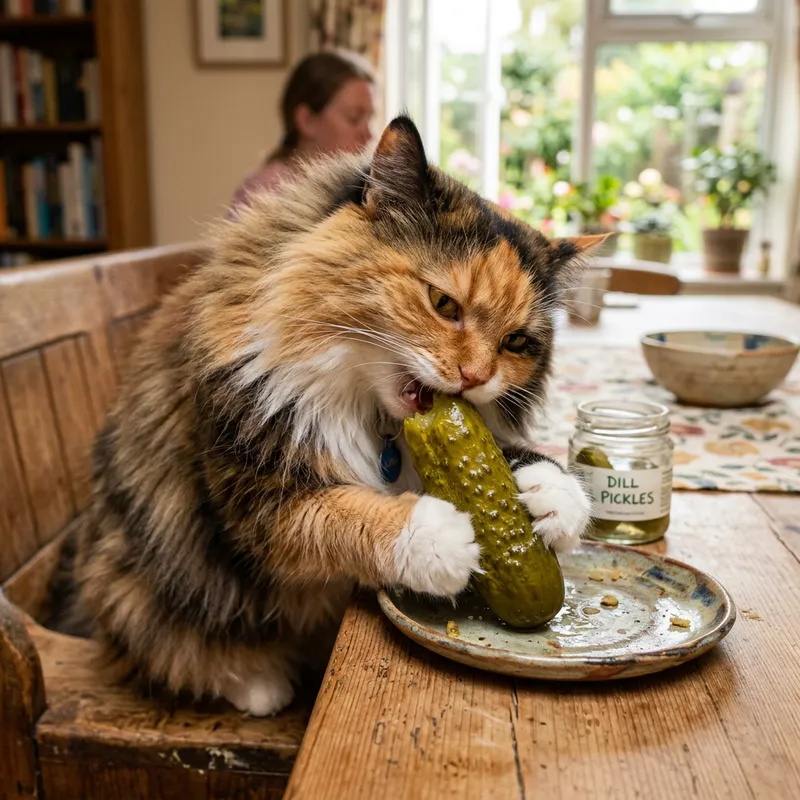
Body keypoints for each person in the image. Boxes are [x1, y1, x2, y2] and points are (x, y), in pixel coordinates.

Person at [230, 49, 376, 213]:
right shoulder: (265, 193)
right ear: (306, 120)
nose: (369, 135)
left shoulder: (361, 189)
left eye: (370, 120)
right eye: (354, 118)